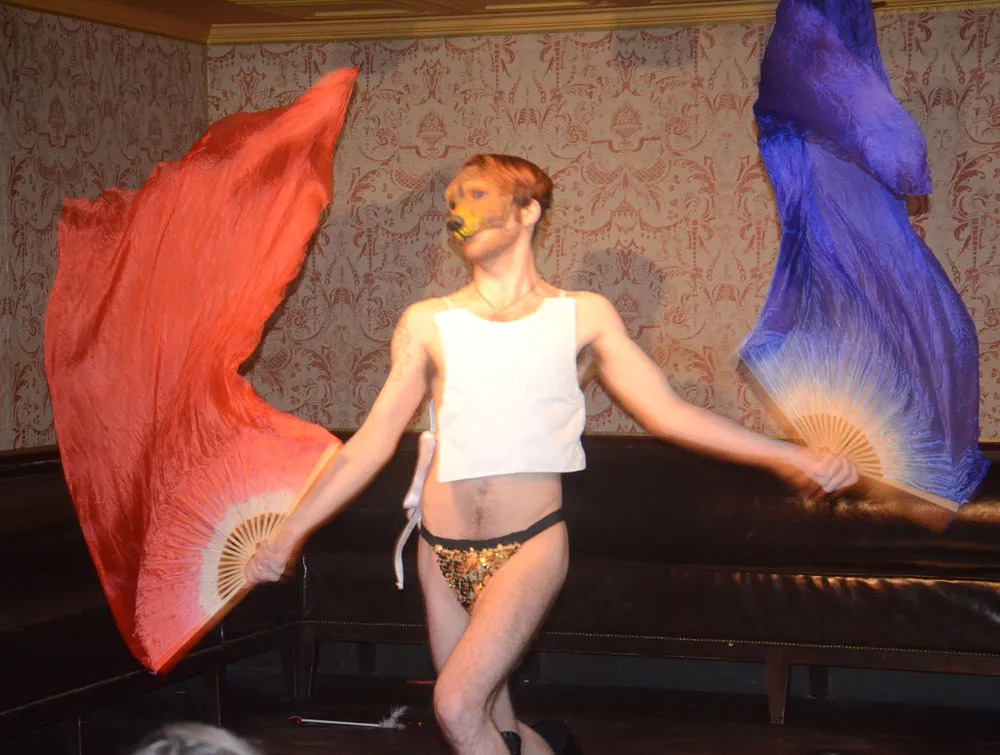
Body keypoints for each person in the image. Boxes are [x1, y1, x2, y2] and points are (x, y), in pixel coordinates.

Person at [245, 154, 858, 755]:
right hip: (440, 550)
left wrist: (793, 457)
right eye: (453, 200)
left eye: (476, 193)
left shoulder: (581, 315)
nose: (458, 208)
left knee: (455, 706)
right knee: (491, 719)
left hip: (528, 544)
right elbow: (374, 440)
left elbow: (669, 412)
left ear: (528, 210)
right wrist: (289, 533)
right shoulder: (428, 322)